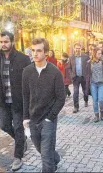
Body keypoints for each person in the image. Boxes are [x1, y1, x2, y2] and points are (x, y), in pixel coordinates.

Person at [22, 38, 65, 172]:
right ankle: (55, 159)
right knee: (41, 148)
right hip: (33, 118)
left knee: (45, 156)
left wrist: (50, 117)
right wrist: (25, 117)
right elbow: (25, 96)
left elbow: (60, 98)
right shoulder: (27, 71)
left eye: (39, 51)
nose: (35, 54)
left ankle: (50, 164)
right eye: (33, 50)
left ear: (46, 52)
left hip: (48, 120)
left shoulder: (55, 72)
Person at [0, 31, 31, 171]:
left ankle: (17, 157)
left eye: (6, 41)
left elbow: (29, 80)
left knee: (19, 128)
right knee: (4, 125)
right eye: (1, 42)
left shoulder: (23, 58)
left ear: (12, 42)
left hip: (18, 101)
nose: (3, 44)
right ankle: (21, 140)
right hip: (3, 101)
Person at [85, 48, 103, 122]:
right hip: (93, 84)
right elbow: (87, 74)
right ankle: (96, 115)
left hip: (102, 84)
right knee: (94, 100)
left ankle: (102, 113)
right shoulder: (89, 62)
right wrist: (87, 84)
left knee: (101, 100)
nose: (100, 55)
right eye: (98, 53)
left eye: (101, 53)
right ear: (94, 54)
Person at [69, 43, 90, 113]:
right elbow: (69, 68)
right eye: (76, 48)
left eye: (79, 48)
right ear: (74, 49)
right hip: (76, 77)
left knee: (85, 91)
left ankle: (86, 100)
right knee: (75, 92)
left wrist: (88, 75)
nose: (77, 49)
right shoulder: (71, 57)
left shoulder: (86, 56)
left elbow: (89, 66)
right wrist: (72, 75)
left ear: (81, 49)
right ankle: (76, 107)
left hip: (84, 77)